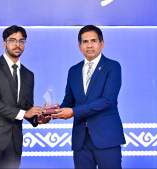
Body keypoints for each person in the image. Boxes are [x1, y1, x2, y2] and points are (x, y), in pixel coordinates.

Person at [0, 25, 51, 169]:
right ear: (4, 43)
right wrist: (25, 113)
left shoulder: (29, 75)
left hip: (14, 142)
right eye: (13, 40)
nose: (17, 44)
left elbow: (27, 107)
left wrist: (38, 118)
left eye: (21, 41)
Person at [51, 25, 126, 169]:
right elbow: (69, 101)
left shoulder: (112, 67)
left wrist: (73, 112)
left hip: (107, 137)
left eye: (93, 40)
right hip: (81, 140)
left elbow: (107, 101)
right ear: (80, 47)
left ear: (102, 44)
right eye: (85, 42)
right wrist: (55, 111)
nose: (89, 45)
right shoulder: (73, 71)